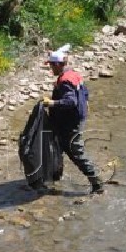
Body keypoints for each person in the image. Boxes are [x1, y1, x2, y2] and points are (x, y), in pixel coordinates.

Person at [41, 44, 105, 195]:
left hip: (70, 123)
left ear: (57, 65)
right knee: (59, 146)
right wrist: (86, 103)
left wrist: (52, 103)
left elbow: (71, 102)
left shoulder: (64, 81)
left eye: (51, 66)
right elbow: (85, 92)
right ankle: (56, 176)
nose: (51, 69)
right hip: (74, 119)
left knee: (76, 152)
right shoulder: (74, 74)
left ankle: (97, 183)